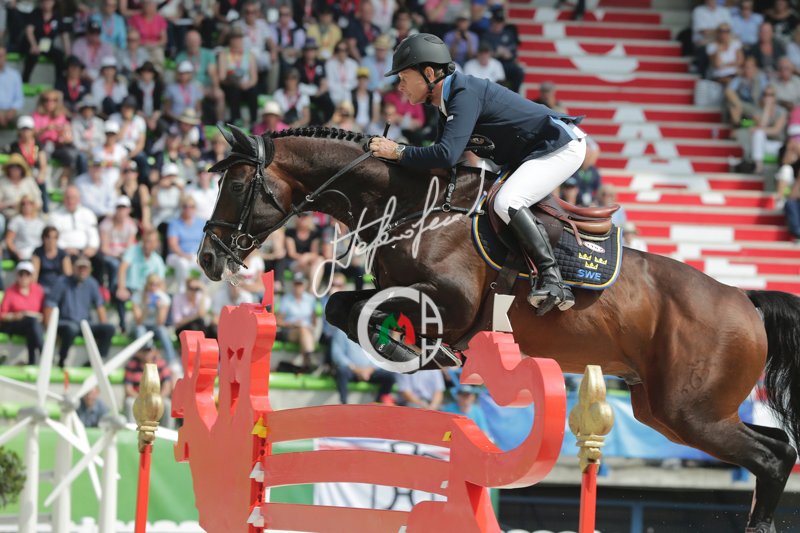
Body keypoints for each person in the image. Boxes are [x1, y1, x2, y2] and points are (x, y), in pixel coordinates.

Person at [369, 34, 586, 314]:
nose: (399, 86)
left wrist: (398, 151)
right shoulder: (447, 104)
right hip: (531, 153)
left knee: (507, 202)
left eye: (403, 78)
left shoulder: (464, 94)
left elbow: (446, 155)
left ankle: (553, 278)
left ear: (429, 74)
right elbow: (440, 165)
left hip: (559, 146)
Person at [44, 255, 116, 367]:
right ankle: (61, 360)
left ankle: (97, 362)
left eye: (85, 268)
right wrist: (49, 330)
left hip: (84, 325)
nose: (82, 270)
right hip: (65, 323)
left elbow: (100, 306)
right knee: (71, 328)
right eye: (80, 267)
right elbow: (50, 305)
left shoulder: (92, 283)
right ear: (73, 268)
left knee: (109, 329)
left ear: (90, 270)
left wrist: (103, 324)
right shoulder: (62, 282)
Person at [330, 327, 395, 404]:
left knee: (389, 377)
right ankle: (344, 403)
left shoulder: (376, 332)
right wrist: (358, 370)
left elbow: (380, 356)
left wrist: (369, 370)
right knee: (342, 371)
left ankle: (378, 404)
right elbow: (337, 355)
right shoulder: (341, 331)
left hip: (369, 372)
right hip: (351, 370)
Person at [116, 228, 166, 329]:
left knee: (163, 300)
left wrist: (158, 296)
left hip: (147, 292)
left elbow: (161, 282)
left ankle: (157, 327)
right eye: (146, 241)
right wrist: (121, 287)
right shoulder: (133, 250)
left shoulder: (158, 260)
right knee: (121, 295)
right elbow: (122, 268)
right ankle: (123, 327)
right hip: (130, 289)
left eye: (150, 242)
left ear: (156, 244)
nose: (147, 245)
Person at [0, 261, 45, 365]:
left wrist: (39, 317)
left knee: (32, 325)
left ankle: (32, 361)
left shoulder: (38, 290)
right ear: (17, 275)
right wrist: (16, 316)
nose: (24, 277)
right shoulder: (10, 291)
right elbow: (2, 315)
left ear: (31, 276)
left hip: (31, 325)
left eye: (27, 274)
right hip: (12, 325)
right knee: (32, 324)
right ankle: (43, 353)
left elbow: (43, 312)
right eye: (21, 274)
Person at [123, 340, 173, 426]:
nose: (146, 353)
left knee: (168, 404)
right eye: (144, 351)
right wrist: (141, 399)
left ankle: (168, 430)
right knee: (129, 402)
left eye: (149, 350)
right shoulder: (131, 365)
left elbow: (167, 385)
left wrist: (158, 399)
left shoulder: (161, 364)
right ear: (139, 352)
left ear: (153, 351)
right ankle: (131, 430)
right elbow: (128, 388)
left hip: (157, 398)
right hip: (137, 397)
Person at [218, 26, 259, 125]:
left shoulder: (249, 54)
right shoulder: (223, 54)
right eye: (234, 38)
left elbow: (254, 78)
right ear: (230, 40)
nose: (237, 41)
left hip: (245, 85)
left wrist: (247, 85)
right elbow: (222, 77)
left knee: (253, 91)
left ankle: (254, 120)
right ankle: (236, 119)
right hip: (230, 84)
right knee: (233, 90)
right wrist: (232, 80)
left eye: (239, 38)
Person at [22, 0, 70, 84]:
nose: (46, 4)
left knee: (59, 56)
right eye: (44, 1)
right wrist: (34, 45)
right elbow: (29, 31)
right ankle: (25, 81)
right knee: (32, 55)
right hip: (33, 44)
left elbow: (64, 35)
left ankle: (59, 83)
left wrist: (68, 51)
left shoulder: (57, 16)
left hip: (47, 45)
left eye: (49, 1)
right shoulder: (35, 13)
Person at [131, 273, 175, 364]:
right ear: (146, 284)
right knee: (140, 330)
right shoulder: (137, 296)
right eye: (151, 284)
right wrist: (146, 307)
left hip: (155, 327)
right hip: (141, 326)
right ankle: (147, 357)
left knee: (163, 331)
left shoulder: (164, 298)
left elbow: (160, 322)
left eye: (156, 284)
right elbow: (138, 322)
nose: (153, 287)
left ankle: (171, 361)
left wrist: (159, 308)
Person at [275, 273, 316, 369]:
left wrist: (307, 326)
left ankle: (307, 360)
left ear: (304, 285)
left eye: (300, 284)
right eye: (296, 284)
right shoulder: (286, 299)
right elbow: (277, 320)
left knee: (304, 330)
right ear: (293, 285)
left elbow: (314, 321)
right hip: (290, 330)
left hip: (306, 330)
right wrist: (292, 324)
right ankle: (309, 358)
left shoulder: (310, 300)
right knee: (302, 330)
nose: (298, 287)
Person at [48, 185, 100, 261]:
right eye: (68, 198)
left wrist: (92, 247)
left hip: (85, 251)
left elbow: (93, 235)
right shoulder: (54, 216)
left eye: (73, 198)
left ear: (79, 199)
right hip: (63, 252)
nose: (70, 201)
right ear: (63, 199)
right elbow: (52, 238)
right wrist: (64, 249)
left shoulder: (88, 214)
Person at [166, 195, 205, 291]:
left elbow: (205, 243)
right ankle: (183, 291)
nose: (188, 209)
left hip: (196, 256)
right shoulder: (174, 223)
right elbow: (173, 245)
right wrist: (185, 255)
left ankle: (201, 292)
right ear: (181, 208)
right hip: (178, 255)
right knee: (183, 264)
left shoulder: (201, 223)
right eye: (185, 206)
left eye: (191, 206)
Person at [31, 226, 72, 296]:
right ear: (43, 238)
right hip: (42, 287)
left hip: (59, 287)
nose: (51, 240)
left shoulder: (63, 254)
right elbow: (34, 276)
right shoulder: (38, 253)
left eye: (54, 237)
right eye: (48, 237)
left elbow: (68, 275)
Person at [5, 196, 45, 262]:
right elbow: (9, 240)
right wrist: (16, 253)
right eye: (23, 203)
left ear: (33, 205)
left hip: (38, 254)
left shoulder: (40, 222)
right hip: (23, 253)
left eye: (29, 203)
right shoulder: (16, 220)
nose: (26, 206)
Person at [0, 46, 23, 128]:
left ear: (6, 57)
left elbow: (19, 98)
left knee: (25, 122)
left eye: (1, 55)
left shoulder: (14, 75)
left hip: (11, 110)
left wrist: (12, 111)